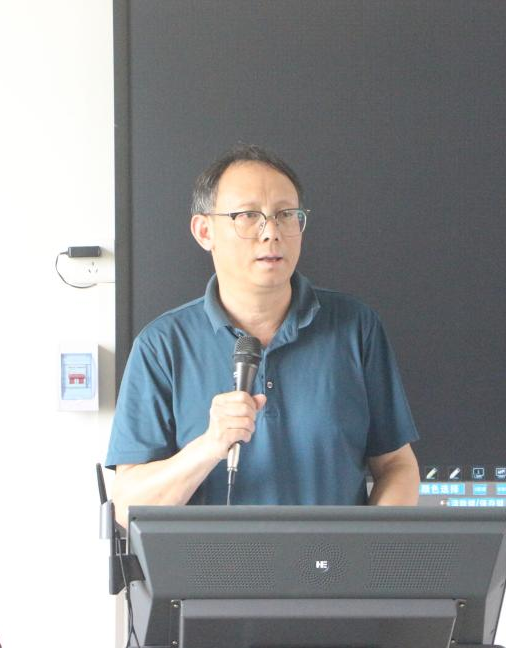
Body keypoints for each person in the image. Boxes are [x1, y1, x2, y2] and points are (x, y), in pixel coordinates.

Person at [106, 145, 420, 526]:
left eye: (286, 215)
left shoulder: (355, 327)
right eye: (248, 216)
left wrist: (369, 550)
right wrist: (209, 446)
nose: (271, 232)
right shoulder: (162, 346)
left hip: (335, 564)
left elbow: (397, 466)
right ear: (204, 231)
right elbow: (126, 505)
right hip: (208, 565)